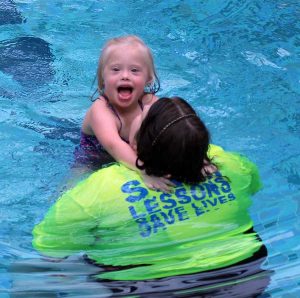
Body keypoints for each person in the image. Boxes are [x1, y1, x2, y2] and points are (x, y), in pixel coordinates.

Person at [33, 97, 269, 296]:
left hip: (152, 289)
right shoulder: (233, 165)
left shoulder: (99, 190)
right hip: (247, 278)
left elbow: (50, 248)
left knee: (34, 277)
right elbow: (253, 187)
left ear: (135, 144)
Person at [74, 35, 173, 192]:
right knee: (72, 186)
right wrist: (145, 171)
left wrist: (198, 160)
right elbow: (114, 145)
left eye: (134, 70)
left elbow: (176, 130)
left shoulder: (151, 103)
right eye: (115, 70)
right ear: (102, 78)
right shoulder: (100, 110)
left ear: (149, 78)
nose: (125, 75)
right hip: (93, 158)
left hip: (133, 154)